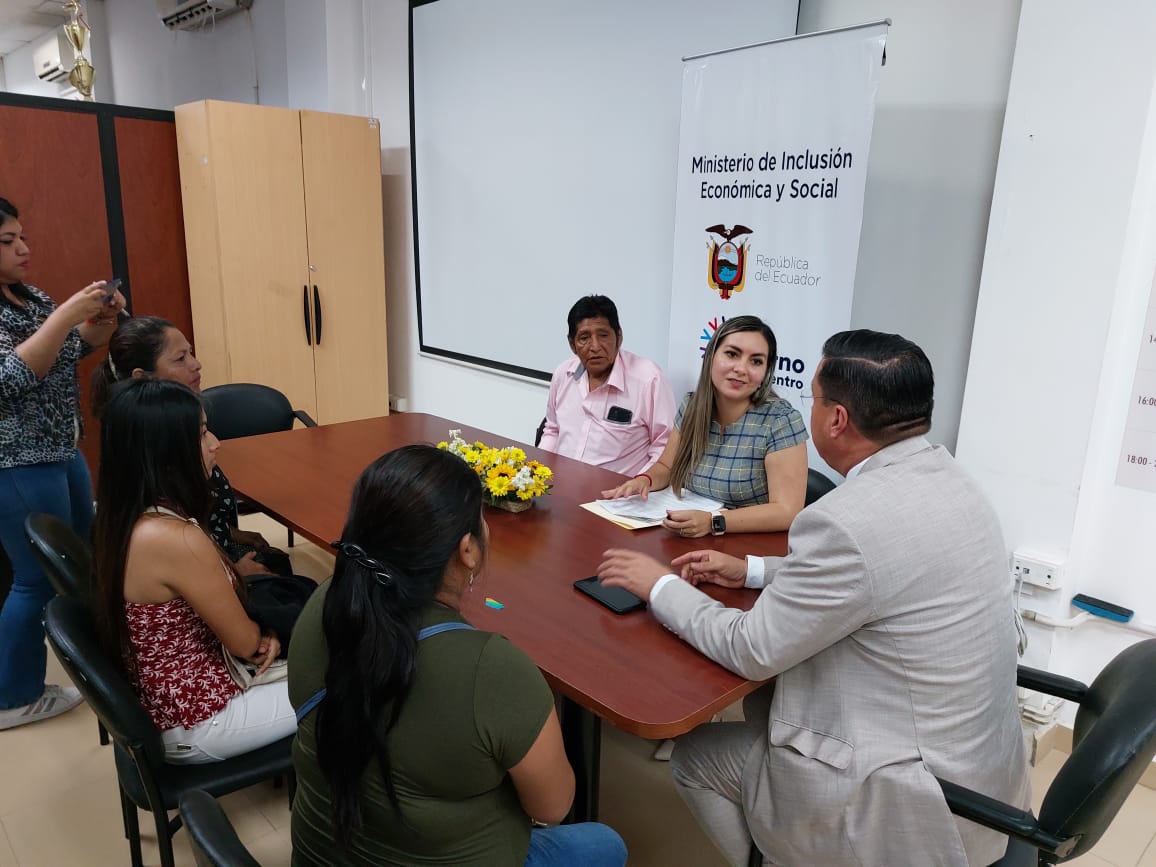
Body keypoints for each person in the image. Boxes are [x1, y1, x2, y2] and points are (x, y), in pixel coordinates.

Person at [597, 329, 1030, 867]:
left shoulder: (844, 519)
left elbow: (751, 648)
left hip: (908, 793)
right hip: (982, 768)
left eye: (817, 399)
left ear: (837, 419)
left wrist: (657, 585)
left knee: (696, 758)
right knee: (766, 704)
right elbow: (879, 571)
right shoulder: (953, 481)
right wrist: (752, 570)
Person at [289, 444, 627, 866]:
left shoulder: (325, 603)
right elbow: (552, 807)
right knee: (604, 844)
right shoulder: (492, 669)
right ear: (468, 549)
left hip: (317, 855)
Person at [91, 378, 296, 763]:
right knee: (356, 675)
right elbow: (246, 645)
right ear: (165, 452)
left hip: (164, 704)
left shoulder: (123, 516)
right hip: (201, 719)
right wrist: (265, 635)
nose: (215, 443)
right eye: (202, 434)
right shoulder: (175, 538)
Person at [0, 196, 126, 731]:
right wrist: (62, 318)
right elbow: (10, 378)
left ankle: (94, 655)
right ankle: (14, 696)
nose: (23, 248)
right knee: (35, 578)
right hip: (17, 462)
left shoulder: (30, 297)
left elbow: (67, 351)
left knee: (82, 556)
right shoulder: (39, 308)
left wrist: (100, 322)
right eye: (8, 241)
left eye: (22, 237)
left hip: (62, 448)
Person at [91, 316, 292, 578]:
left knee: (282, 566)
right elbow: (180, 545)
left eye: (191, 353)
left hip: (210, 553)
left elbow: (197, 518)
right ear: (142, 377)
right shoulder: (153, 452)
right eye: (180, 358)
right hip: (201, 570)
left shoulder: (173, 429)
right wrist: (234, 574)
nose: (196, 364)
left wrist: (232, 533)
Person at [602, 315, 808, 537]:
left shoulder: (781, 420)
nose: (741, 368)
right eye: (732, 354)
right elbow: (667, 467)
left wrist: (713, 522)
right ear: (711, 356)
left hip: (748, 544)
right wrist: (645, 480)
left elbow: (787, 511)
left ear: (766, 371)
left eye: (756, 361)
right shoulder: (692, 405)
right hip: (689, 537)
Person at [538, 295, 674, 476]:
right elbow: (553, 430)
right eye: (584, 338)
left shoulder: (649, 379)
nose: (595, 346)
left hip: (618, 491)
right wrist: (537, 472)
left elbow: (665, 447)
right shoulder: (563, 374)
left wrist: (640, 483)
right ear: (572, 345)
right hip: (561, 483)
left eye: (603, 335)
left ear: (619, 337)